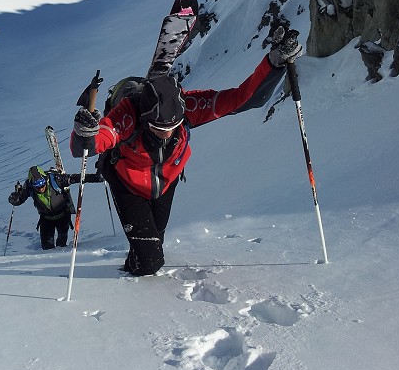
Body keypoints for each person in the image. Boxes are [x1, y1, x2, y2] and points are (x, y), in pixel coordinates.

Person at [70, 27, 303, 276]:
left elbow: (241, 99)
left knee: (154, 241)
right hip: (127, 181)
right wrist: (85, 134)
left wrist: (274, 63)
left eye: (172, 126)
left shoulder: (188, 106)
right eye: (159, 128)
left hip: (166, 180)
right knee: (150, 261)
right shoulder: (128, 114)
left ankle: (134, 262)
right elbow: (91, 144)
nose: (167, 133)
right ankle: (131, 279)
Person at [8, 165, 102, 249]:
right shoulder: (29, 186)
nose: (41, 187)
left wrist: (96, 178)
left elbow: (76, 178)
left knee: (61, 245)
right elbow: (19, 200)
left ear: (45, 179)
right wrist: (14, 198)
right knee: (47, 247)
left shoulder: (56, 179)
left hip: (63, 215)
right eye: (37, 185)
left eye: (42, 183)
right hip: (46, 219)